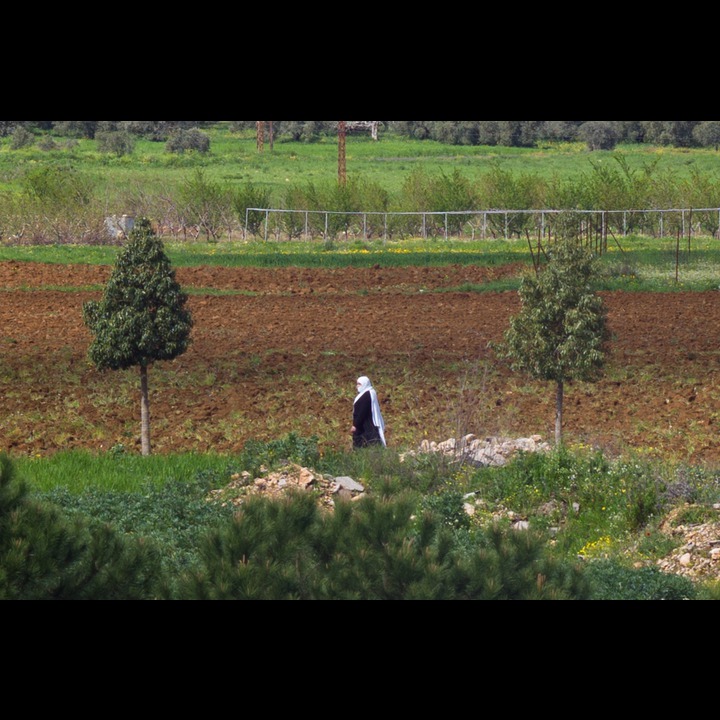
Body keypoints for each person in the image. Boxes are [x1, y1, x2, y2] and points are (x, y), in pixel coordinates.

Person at [352, 376, 387, 449]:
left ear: (365, 384)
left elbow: (362, 412)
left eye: (359, 384)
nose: (357, 386)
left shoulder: (366, 395)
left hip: (366, 425)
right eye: (357, 384)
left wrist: (355, 424)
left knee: (368, 444)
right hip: (364, 424)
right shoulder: (367, 393)